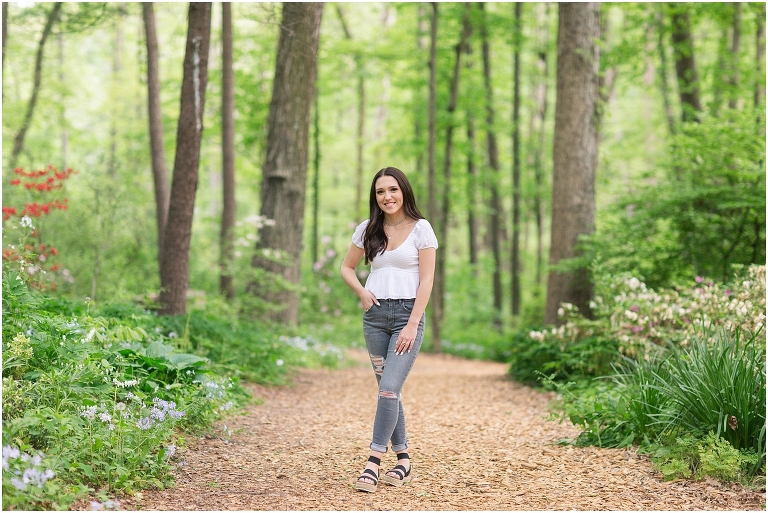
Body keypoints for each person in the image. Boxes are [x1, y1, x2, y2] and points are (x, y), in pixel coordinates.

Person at [340, 166, 437, 493]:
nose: (387, 197)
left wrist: (412, 324)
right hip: (376, 318)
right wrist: (362, 293)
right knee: (388, 390)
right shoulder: (368, 229)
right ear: (375, 196)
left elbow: (427, 280)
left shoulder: (422, 229)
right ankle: (405, 459)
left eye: (392, 190)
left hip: (407, 317)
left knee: (388, 388)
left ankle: (373, 461)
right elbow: (346, 267)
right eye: (381, 192)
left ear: (403, 191)